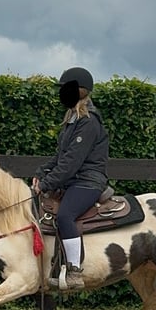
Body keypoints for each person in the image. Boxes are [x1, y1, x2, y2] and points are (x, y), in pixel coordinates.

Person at [32, 67, 110, 289]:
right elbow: (61, 157)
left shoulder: (89, 122)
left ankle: (75, 271)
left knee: (65, 215)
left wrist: (46, 184)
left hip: (88, 181)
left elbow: (72, 162)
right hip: (74, 179)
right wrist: (42, 171)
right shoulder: (72, 120)